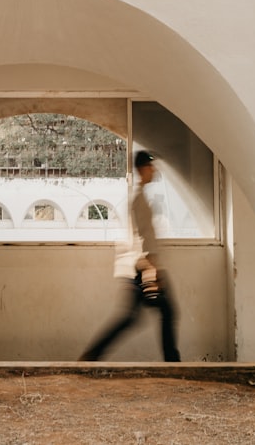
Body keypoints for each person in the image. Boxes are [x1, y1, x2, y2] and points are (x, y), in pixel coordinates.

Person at [79, 150, 181, 362]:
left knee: (132, 318)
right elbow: (143, 237)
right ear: (142, 169)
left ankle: (92, 355)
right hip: (143, 267)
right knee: (167, 312)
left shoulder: (140, 198)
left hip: (139, 267)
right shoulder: (139, 200)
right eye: (151, 167)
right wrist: (153, 273)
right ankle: (172, 363)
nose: (154, 171)